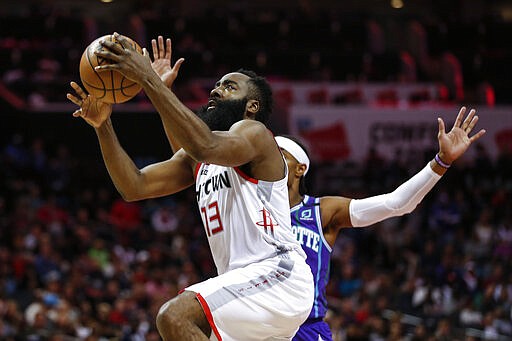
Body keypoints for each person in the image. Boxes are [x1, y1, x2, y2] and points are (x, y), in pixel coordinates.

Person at [67, 32, 314, 341]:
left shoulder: (255, 134)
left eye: (229, 86)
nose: (216, 89)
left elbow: (205, 144)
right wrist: (104, 126)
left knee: (175, 316)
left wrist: (149, 80)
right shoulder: (197, 160)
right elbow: (134, 185)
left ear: (252, 106)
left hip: (277, 274)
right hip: (246, 286)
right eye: (217, 84)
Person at [273, 106, 485, 341]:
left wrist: (441, 161)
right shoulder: (251, 208)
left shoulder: (322, 211)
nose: (269, 158)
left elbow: (397, 204)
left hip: (305, 328)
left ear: (300, 168)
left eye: (279, 153)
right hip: (258, 325)